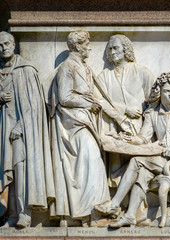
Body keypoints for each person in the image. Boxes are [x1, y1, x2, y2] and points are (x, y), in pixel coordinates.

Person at [96, 72, 170, 228]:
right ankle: (130, 216)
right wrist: (121, 138)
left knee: (137, 162)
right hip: (160, 157)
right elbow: (143, 138)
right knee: (142, 172)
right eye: (166, 91)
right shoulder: (152, 113)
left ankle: (114, 204)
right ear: (159, 93)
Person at [49, 30, 110, 226]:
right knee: (91, 162)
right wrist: (87, 104)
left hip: (85, 120)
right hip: (73, 124)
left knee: (91, 165)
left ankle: (93, 212)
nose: (89, 47)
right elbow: (65, 97)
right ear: (76, 46)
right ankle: (88, 211)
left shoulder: (84, 68)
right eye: (86, 44)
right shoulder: (67, 67)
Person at [0, 31, 54, 228]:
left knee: (20, 170)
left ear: (13, 45)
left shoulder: (26, 69)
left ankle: (24, 213)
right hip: (2, 130)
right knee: (6, 173)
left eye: (6, 43)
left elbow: (36, 105)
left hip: (20, 131)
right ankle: (11, 215)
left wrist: (21, 126)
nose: (3, 48)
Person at [97, 34, 154, 189]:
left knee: (138, 167)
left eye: (116, 48)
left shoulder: (143, 72)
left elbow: (153, 105)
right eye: (109, 49)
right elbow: (99, 101)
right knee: (116, 172)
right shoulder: (104, 76)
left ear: (125, 49)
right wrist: (123, 110)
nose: (112, 52)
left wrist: (145, 132)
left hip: (139, 129)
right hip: (114, 128)